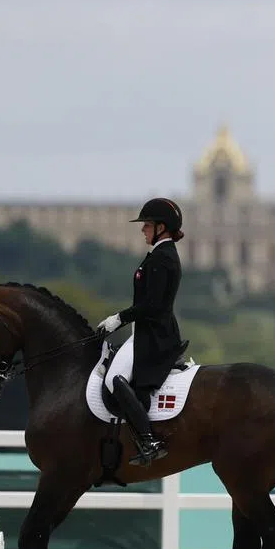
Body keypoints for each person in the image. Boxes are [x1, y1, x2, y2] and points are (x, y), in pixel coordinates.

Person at [96, 197, 186, 466]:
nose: (142, 229)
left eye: (147, 224)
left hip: (154, 336)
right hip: (148, 331)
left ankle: (148, 440)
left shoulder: (162, 257)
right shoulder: (159, 254)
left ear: (161, 227)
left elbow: (152, 305)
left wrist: (117, 319)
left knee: (114, 379)